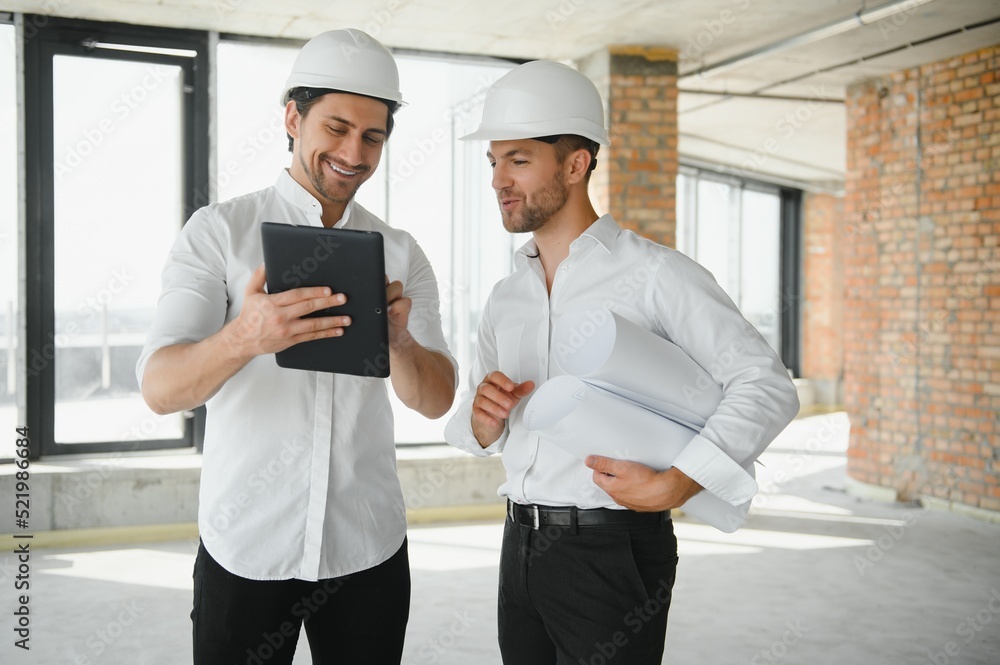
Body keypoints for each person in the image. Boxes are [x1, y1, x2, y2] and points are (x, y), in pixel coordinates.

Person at [444, 60, 799, 664]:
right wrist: (480, 423)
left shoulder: (655, 274)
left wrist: (679, 481)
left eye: (519, 160)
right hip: (518, 546)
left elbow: (766, 385)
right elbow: (477, 424)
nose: (499, 179)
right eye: (493, 161)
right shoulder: (507, 298)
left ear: (576, 164)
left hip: (610, 551)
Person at [137, 29, 457, 665]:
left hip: (367, 548)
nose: (352, 152)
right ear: (292, 117)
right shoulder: (218, 234)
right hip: (247, 548)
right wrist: (243, 337)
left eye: (372, 136)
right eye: (336, 127)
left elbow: (436, 398)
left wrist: (398, 343)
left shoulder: (401, 252)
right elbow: (159, 387)